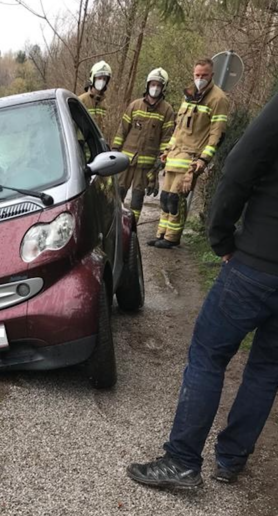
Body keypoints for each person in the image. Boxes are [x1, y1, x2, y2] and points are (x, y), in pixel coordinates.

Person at [127, 93, 278, 488]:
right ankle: (230, 460)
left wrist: (222, 238)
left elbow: (239, 168)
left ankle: (181, 460)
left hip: (256, 264)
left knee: (208, 354)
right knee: (267, 369)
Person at [149, 58, 229, 249]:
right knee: (165, 197)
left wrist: (203, 159)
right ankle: (162, 233)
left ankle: (172, 237)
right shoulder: (189, 95)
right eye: (197, 75)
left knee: (176, 198)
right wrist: (168, 149)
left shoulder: (218, 99)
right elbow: (179, 129)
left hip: (192, 158)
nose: (200, 79)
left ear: (212, 76)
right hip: (175, 155)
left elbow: (216, 134)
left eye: (204, 75)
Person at [112, 68, 175, 221]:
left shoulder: (167, 111)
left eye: (159, 85)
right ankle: (114, 221)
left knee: (137, 197)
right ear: (147, 85)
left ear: (163, 87)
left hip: (146, 165)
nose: (155, 88)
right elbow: (122, 130)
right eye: (153, 84)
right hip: (126, 160)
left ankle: (132, 226)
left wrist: (161, 159)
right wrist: (114, 150)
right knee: (118, 191)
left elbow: (166, 138)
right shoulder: (135, 106)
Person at [79, 61, 112, 136]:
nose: (102, 81)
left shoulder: (104, 104)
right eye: (99, 78)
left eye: (104, 79)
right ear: (93, 78)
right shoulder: (81, 100)